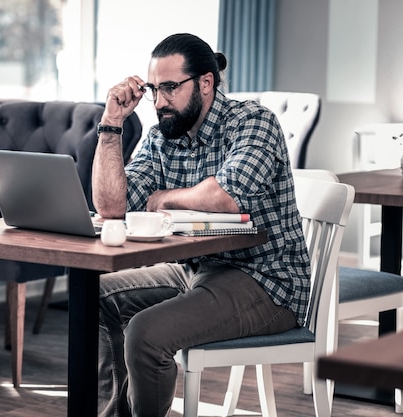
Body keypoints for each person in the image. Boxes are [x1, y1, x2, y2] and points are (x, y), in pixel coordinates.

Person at [91, 33, 311, 417]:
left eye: (171, 88)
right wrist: (111, 124)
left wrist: (162, 197)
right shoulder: (161, 137)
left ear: (206, 83)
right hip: (196, 269)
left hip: (267, 281)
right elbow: (111, 208)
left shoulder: (253, 121)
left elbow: (227, 196)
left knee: (145, 334)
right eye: (155, 90)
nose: (160, 102)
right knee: (92, 295)